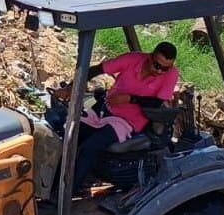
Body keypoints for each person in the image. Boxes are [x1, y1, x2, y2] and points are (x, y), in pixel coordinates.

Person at [55, 42, 180, 195]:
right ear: (150, 56)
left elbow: (157, 102)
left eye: (164, 68)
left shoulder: (171, 74)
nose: (159, 71)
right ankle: (52, 185)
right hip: (104, 109)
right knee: (69, 134)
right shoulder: (132, 60)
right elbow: (96, 70)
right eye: (156, 65)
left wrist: (130, 99)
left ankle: (66, 194)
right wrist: (71, 87)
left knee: (91, 147)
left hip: (127, 122)